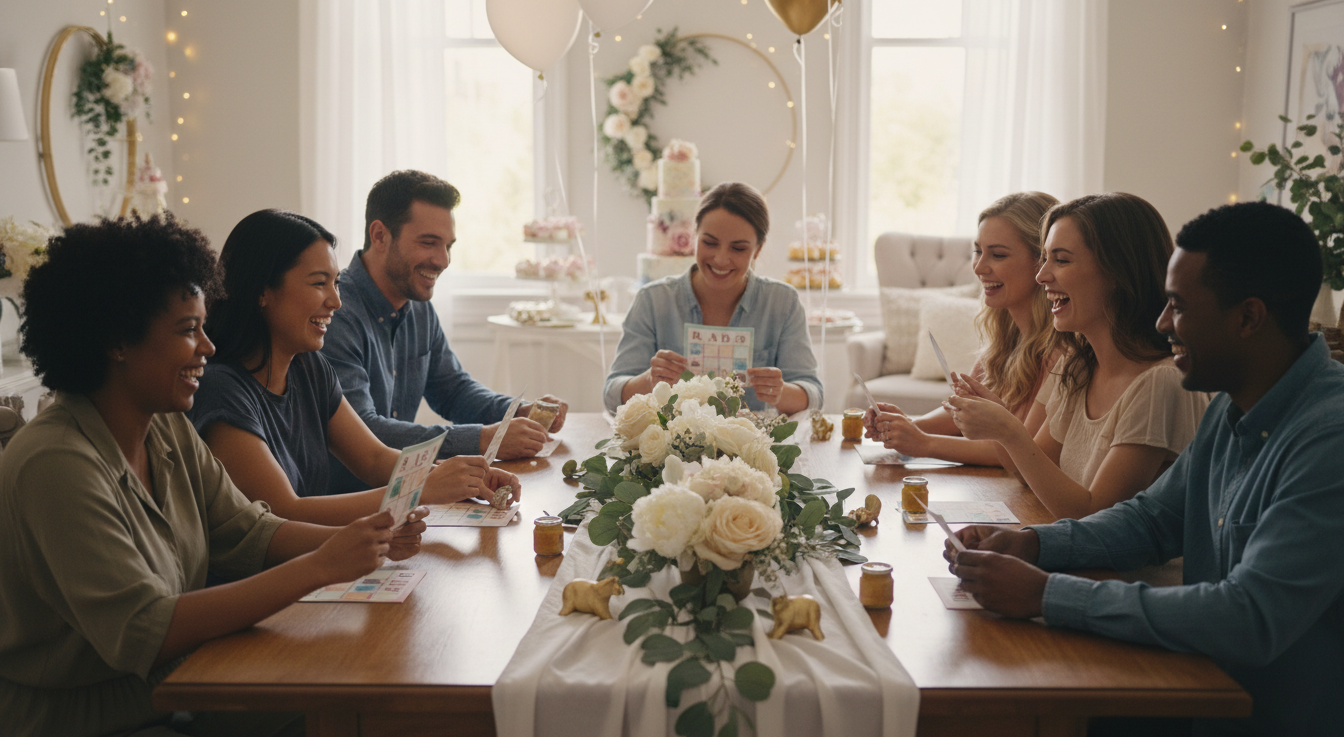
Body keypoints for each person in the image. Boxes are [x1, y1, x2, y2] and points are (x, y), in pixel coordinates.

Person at [0, 215, 425, 737]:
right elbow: (144, 631)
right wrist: (321, 566)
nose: (207, 345)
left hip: (173, 697)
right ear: (117, 341)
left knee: (387, 731)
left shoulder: (165, 428)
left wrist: (366, 538)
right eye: (187, 330)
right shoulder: (55, 463)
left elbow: (248, 530)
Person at [947, 201, 1344, 737]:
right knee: (977, 722)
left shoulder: (1328, 439)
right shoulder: (1232, 406)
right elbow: (1151, 520)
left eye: (1178, 307)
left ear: (1248, 318)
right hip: (1201, 697)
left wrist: (1046, 593)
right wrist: (1033, 543)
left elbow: (1248, 616)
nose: (1162, 324)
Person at [191, 209, 518, 526]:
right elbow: (284, 514)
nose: (336, 301)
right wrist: (419, 489)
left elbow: (374, 459)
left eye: (335, 283)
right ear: (262, 291)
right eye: (319, 283)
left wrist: (461, 478)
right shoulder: (220, 389)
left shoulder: (309, 367)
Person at [948, 193, 1210, 519]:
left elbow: (1095, 516)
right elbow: (1030, 473)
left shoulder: (1160, 382)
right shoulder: (1079, 367)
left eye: (1061, 260)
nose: (1041, 276)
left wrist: (1009, 431)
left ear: (1118, 272)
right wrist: (1000, 425)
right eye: (1044, 258)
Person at [321, 171, 567, 494]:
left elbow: (453, 390)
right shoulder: (333, 313)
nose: (443, 260)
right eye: (428, 243)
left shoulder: (418, 306)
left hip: (404, 495)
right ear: (379, 236)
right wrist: (483, 438)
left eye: (448, 246)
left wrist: (515, 412)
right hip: (346, 502)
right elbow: (366, 433)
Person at [864, 191, 1061, 465]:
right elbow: (963, 411)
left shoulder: (1060, 352)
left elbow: (1025, 453)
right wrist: (907, 426)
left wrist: (924, 443)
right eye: (978, 251)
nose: (979, 267)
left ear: (1042, 261)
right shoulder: (1006, 338)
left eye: (998, 255)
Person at [604, 181, 822, 414]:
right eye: (709, 242)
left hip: (755, 437)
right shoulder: (653, 300)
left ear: (758, 249)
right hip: (672, 438)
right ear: (694, 236)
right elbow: (612, 394)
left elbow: (813, 394)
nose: (720, 259)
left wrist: (781, 392)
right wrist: (649, 381)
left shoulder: (782, 303)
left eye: (738, 248)